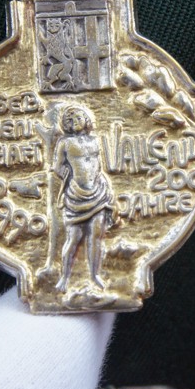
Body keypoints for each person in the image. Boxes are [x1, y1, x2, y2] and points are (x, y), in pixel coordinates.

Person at [52, 106, 114, 292]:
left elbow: (99, 166)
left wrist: (104, 185)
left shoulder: (94, 140)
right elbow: (57, 167)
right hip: (76, 196)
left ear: (86, 119)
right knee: (73, 238)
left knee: (96, 236)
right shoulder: (65, 143)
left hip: (98, 193)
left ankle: (95, 276)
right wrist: (69, 178)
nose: (75, 122)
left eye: (78, 117)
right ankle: (64, 277)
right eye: (70, 120)